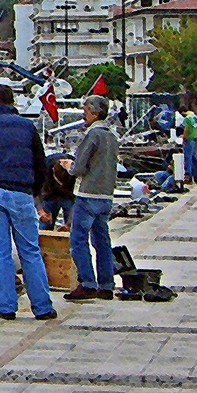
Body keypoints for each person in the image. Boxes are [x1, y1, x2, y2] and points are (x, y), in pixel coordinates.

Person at [0, 84, 57, 321]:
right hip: (21, 192)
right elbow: (40, 163)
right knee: (30, 251)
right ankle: (43, 308)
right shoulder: (27, 126)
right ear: (12, 101)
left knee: (0, 252)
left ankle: (6, 307)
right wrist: (33, 192)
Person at [64, 94, 120, 301]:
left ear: (95, 113)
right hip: (106, 195)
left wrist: (67, 166)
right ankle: (106, 285)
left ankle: (87, 283)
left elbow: (79, 167)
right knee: (102, 240)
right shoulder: (112, 135)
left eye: (86, 111)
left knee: (78, 239)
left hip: (87, 194)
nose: (83, 115)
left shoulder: (92, 134)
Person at [38, 154, 76, 229]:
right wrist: (41, 210)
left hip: (69, 195)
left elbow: (77, 201)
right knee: (45, 224)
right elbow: (36, 190)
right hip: (49, 195)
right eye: (59, 182)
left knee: (74, 227)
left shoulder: (75, 167)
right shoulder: (44, 167)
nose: (61, 185)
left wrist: (69, 224)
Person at [180, 104, 197, 185]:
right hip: (196, 139)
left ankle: (188, 175)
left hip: (189, 139)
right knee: (196, 158)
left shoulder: (187, 118)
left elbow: (186, 129)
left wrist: (184, 138)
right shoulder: (195, 117)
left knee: (188, 158)